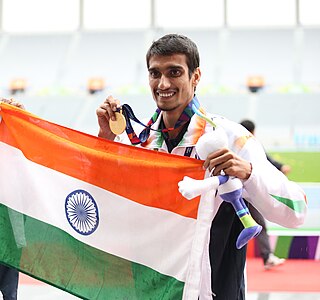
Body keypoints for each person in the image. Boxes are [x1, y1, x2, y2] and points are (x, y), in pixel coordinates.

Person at [96, 34, 307, 299]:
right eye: (155, 73)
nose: (163, 83)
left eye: (174, 72)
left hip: (215, 291)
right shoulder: (142, 144)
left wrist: (249, 174)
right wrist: (105, 139)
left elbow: (297, 210)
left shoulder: (230, 137)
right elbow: (103, 202)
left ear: (195, 77)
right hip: (151, 289)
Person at [239, 119, 290, 270]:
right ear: (253, 131)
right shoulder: (251, 144)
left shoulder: (233, 142)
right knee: (259, 224)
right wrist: (281, 167)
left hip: (230, 194)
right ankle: (267, 256)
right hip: (247, 193)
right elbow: (265, 160)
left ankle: (267, 256)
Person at [0, 98, 25, 300]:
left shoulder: (15, 158)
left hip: (11, 237)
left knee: (11, 294)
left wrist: (22, 121)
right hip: (11, 236)